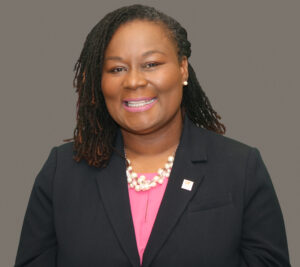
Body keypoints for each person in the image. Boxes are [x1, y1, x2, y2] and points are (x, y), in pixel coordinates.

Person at [15, 4, 291, 267]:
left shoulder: (240, 167)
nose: (133, 81)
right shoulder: (62, 170)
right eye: (117, 69)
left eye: (151, 64)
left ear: (183, 68)